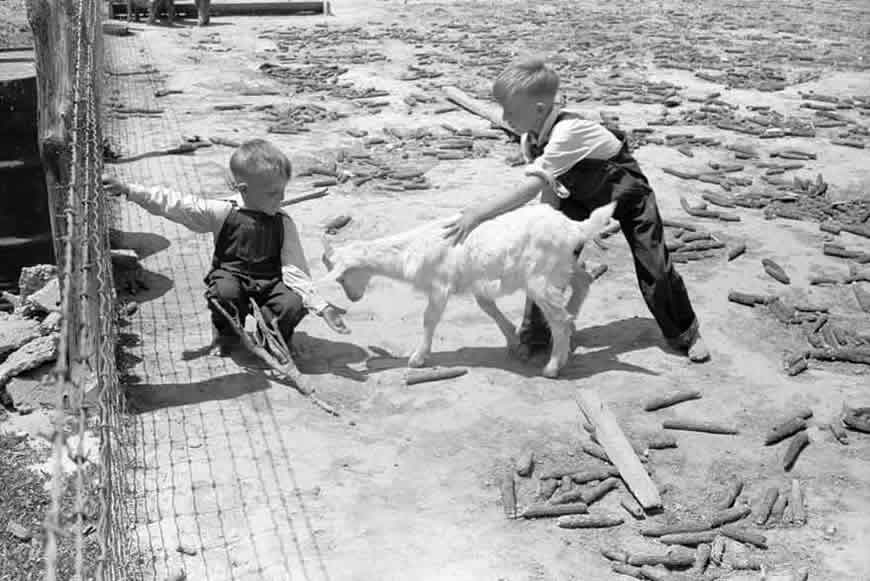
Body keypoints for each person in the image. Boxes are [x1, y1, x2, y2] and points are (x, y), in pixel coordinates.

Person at [442, 57, 710, 363]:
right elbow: (546, 192)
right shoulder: (530, 140)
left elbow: (528, 189)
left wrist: (477, 214)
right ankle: (536, 335)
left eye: (511, 112)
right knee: (542, 260)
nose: (505, 118)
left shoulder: (568, 132)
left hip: (629, 196)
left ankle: (685, 332)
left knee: (655, 268)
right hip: (577, 199)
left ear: (539, 110)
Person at [102, 138, 349, 355]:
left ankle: (274, 340)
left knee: (292, 303)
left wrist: (321, 306)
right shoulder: (222, 211)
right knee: (224, 291)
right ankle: (227, 336)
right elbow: (177, 204)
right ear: (244, 190)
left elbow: (295, 269)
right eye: (273, 193)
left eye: (283, 191)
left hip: (271, 282)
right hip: (232, 276)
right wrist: (129, 191)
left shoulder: (284, 223)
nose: (281, 198)